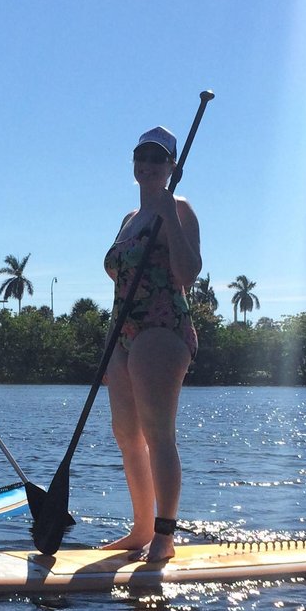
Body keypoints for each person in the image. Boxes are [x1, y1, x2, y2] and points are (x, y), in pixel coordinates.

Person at [101, 126, 202, 562]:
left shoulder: (179, 208)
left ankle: (165, 535)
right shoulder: (128, 220)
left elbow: (188, 272)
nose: (148, 165)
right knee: (127, 434)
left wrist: (169, 215)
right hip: (123, 331)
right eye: (141, 157)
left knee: (159, 432)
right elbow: (119, 279)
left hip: (163, 327)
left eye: (158, 159)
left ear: (172, 167)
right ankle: (140, 528)